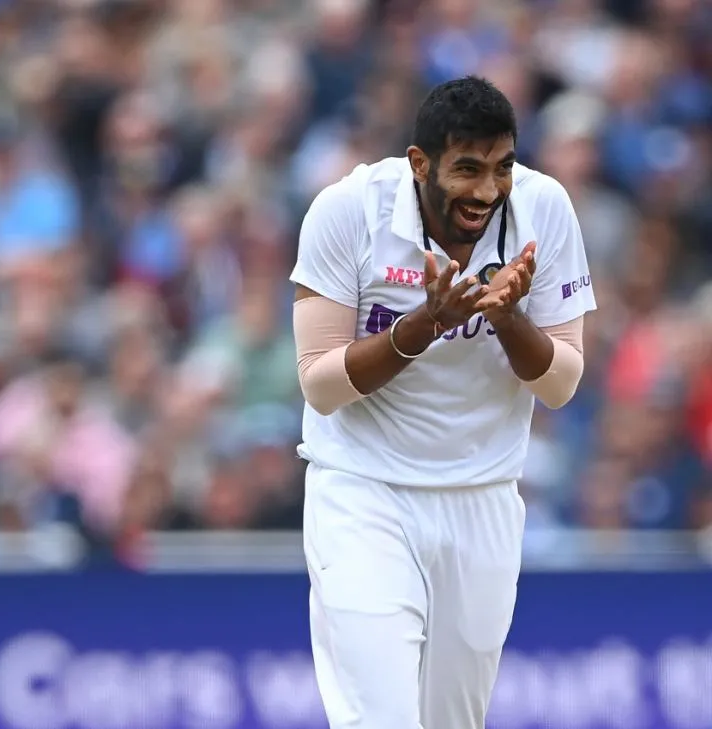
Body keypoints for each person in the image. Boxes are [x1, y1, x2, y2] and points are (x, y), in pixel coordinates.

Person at [291, 75, 596, 729]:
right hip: (364, 493)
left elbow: (562, 383)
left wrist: (509, 318)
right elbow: (319, 383)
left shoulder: (545, 209)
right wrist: (420, 326)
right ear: (420, 164)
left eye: (502, 167)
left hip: (482, 495)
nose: (486, 191)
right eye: (467, 168)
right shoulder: (348, 210)